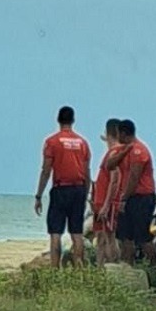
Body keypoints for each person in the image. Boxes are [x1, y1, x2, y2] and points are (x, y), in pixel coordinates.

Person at [34, 106, 91, 267]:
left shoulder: (52, 142)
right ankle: (79, 268)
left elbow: (46, 170)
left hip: (61, 188)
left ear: (58, 120)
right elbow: (87, 172)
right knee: (77, 232)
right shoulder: (83, 143)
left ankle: (55, 268)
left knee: (55, 232)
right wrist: (85, 193)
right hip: (79, 189)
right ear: (73, 120)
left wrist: (39, 195)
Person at [106, 120, 156, 264]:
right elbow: (109, 165)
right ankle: (127, 265)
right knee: (124, 235)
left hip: (142, 197)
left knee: (142, 237)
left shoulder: (139, 150)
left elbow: (134, 178)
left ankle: (154, 266)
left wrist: (123, 199)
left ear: (123, 133)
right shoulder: (126, 150)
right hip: (130, 197)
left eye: (118, 134)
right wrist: (123, 152)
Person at [91, 119, 122, 264]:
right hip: (100, 201)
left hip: (106, 202)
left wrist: (106, 205)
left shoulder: (114, 153)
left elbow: (114, 179)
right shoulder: (113, 152)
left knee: (109, 236)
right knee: (101, 236)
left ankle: (111, 265)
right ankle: (100, 266)